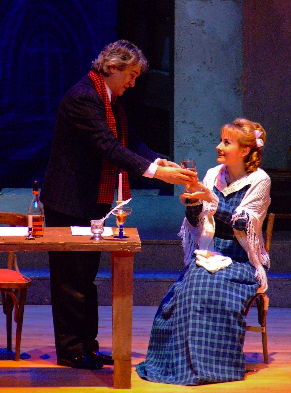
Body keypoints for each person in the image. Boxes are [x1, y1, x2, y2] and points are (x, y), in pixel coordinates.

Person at [41, 40, 196, 370]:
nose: (133, 82)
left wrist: (161, 161)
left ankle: (87, 346)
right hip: (69, 202)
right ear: (112, 67)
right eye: (131, 74)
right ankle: (72, 351)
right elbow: (107, 147)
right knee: (71, 281)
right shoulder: (84, 97)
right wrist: (157, 174)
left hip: (90, 202)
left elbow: (130, 143)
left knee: (85, 279)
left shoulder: (107, 99)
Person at [136, 118, 271, 385]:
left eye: (226, 142)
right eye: (220, 140)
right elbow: (197, 223)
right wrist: (192, 203)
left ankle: (212, 367)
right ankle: (180, 365)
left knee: (202, 285)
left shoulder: (259, 180)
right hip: (208, 254)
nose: (218, 146)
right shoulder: (213, 174)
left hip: (240, 261)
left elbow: (244, 224)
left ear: (244, 150)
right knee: (180, 295)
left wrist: (210, 199)